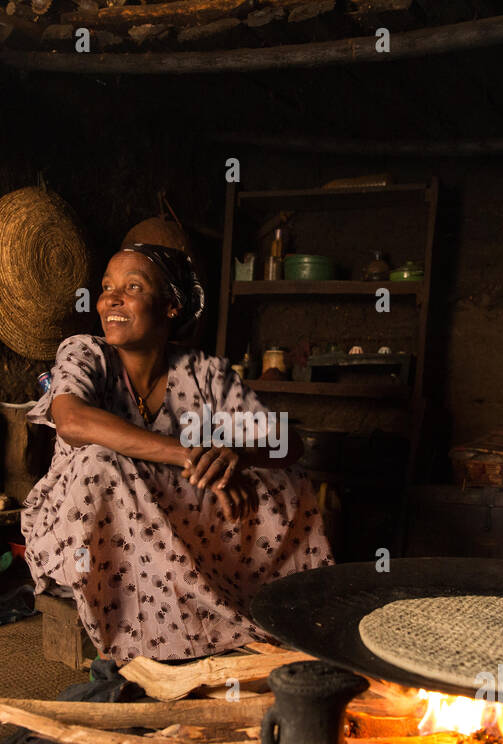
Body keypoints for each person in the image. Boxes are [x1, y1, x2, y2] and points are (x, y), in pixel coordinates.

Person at [21, 242, 334, 662]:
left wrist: (233, 457)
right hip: (88, 530)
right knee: (101, 463)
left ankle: (279, 606)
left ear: (170, 306)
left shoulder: (203, 372)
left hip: (179, 521)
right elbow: (73, 422)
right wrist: (190, 455)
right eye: (106, 287)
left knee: (284, 479)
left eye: (132, 287)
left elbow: (286, 442)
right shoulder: (85, 352)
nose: (110, 299)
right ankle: (175, 640)